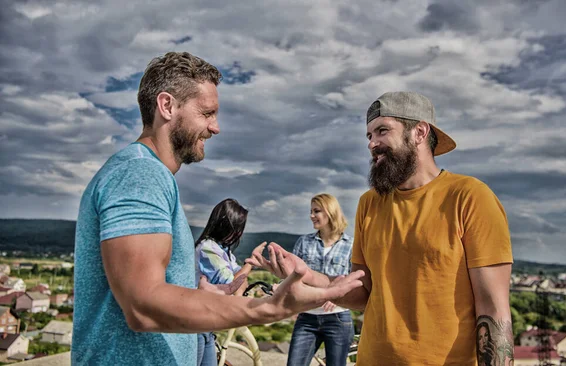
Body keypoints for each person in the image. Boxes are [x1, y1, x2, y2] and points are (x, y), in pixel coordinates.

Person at [72, 51, 364, 365]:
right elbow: (143, 305)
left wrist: (206, 296)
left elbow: (153, 289)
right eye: (207, 113)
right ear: (167, 106)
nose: (215, 128)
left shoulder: (148, 174)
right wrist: (269, 308)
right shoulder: (140, 174)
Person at [247, 92, 514, 365]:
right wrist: (306, 275)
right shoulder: (369, 203)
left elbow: (493, 309)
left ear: (419, 132)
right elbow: (363, 293)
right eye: (369, 136)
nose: (372, 144)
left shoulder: (470, 197)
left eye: (382, 131)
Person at [287, 193, 354, 366]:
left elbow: (355, 280)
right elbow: (293, 277)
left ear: (330, 212)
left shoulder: (351, 245)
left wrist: (337, 295)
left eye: (316, 211)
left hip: (338, 319)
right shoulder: (303, 242)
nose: (311, 215)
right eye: (311, 211)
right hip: (307, 317)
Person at [194, 198, 253, 366]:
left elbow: (240, 284)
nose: (240, 234)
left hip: (208, 325)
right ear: (227, 225)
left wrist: (241, 277)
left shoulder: (223, 250)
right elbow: (233, 285)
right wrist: (250, 265)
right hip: (196, 324)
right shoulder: (207, 249)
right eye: (238, 228)